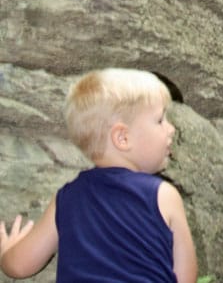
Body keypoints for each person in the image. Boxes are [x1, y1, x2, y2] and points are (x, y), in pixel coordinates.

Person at [0, 68, 197, 283]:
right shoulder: (163, 195)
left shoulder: (67, 197)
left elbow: (19, 266)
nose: (171, 129)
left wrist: (7, 251)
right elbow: (186, 277)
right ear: (122, 138)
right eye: (160, 120)